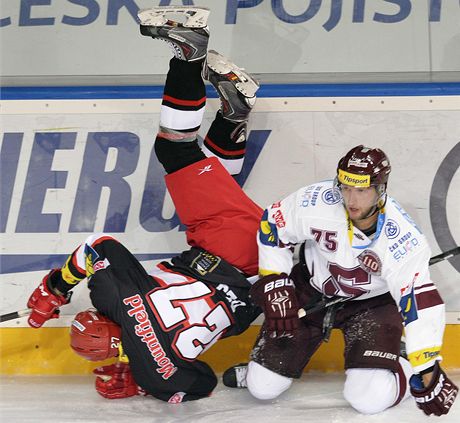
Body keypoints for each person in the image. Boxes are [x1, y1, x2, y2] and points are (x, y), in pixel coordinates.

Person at [25, 6, 262, 404]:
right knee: (175, 150)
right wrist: (54, 289)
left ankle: (235, 111)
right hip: (226, 248)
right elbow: (96, 248)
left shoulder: (161, 376)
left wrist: (141, 379)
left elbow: (203, 383)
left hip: (254, 277)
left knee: (212, 178)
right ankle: (190, 51)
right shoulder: (113, 298)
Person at [224, 146, 458, 416]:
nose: (351, 199)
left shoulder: (403, 239)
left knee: (368, 400)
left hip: (372, 305)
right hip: (310, 290)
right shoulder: (316, 201)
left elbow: (419, 301)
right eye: (346, 188)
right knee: (262, 387)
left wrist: (426, 369)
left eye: (362, 190)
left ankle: (401, 363)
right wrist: (276, 280)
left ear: (381, 189)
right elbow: (273, 225)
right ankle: (262, 370)